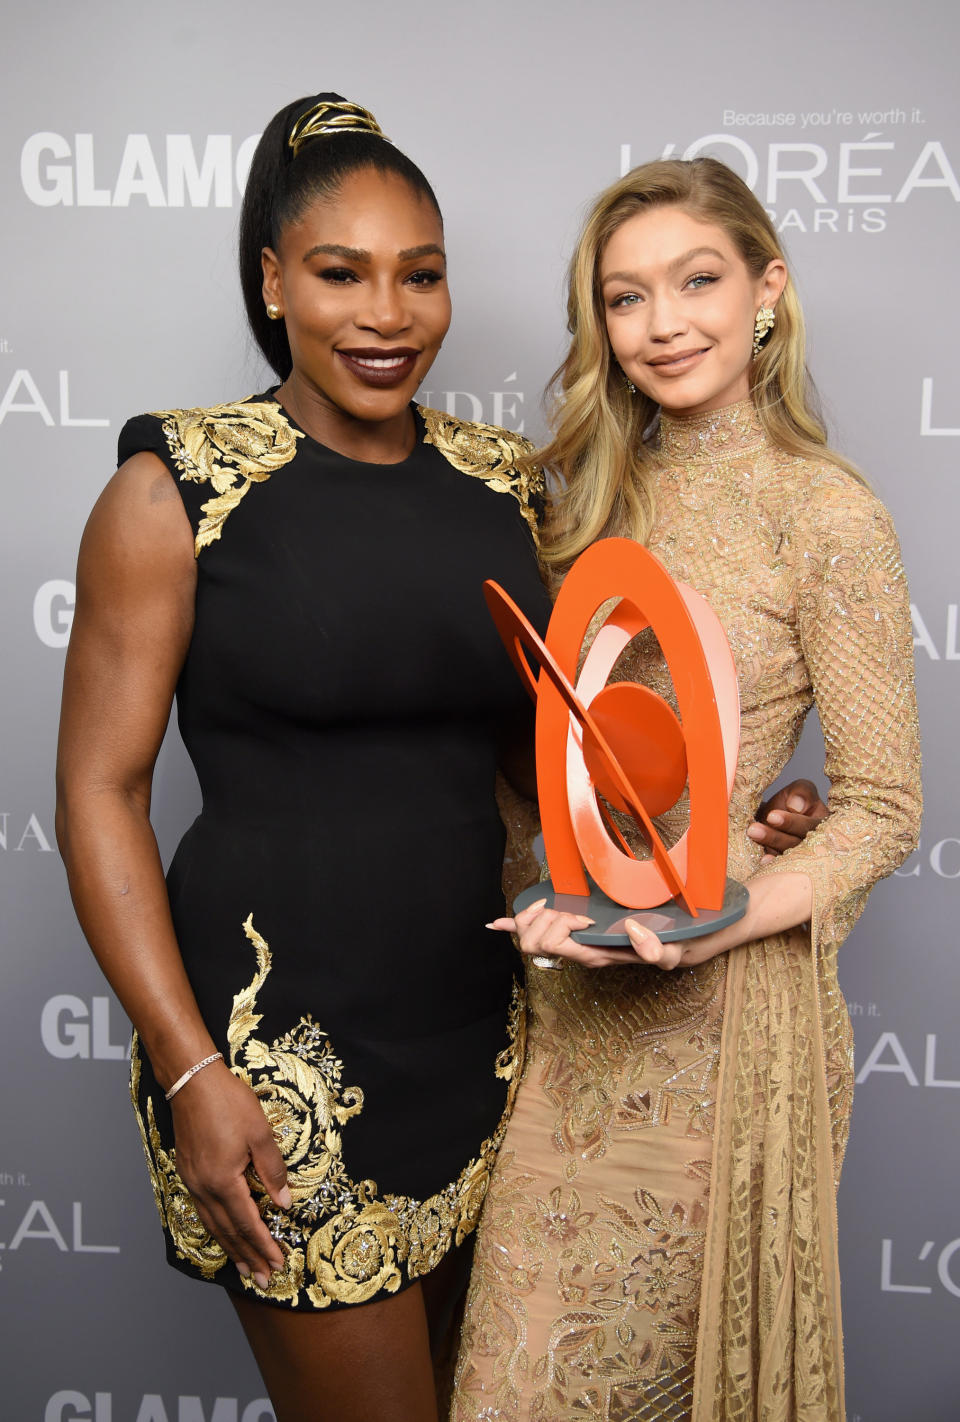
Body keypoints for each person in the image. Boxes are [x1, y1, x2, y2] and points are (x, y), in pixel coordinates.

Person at [55, 94, 825, 1421]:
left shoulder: (504, 486)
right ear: (272, 281)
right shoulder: (175, 483)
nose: (386, 313)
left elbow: (559, 769)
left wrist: (734, 816)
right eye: (340, 273)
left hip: (499, 1054)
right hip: (276, 1062)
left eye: (421, 274)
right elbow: (99, 792)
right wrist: (191, 1069)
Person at [452, 158, 922, 1422]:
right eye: (625, 297)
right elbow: (552, 767)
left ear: (768, 291)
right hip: (574, 1012)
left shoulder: (825, 514)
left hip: (722, 1040)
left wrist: (722, 900)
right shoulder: (577, 504)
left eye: (698, 281)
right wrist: (552, 893)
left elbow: (883, 804)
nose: (664, 323)